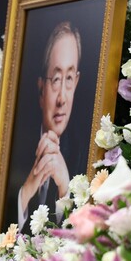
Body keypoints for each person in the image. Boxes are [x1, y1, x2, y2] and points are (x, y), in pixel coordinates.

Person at [16, 20, 83, 230]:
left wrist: (65, 190)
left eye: (69, 78)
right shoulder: (16, 146)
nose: (62, 98)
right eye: (55, 79)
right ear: (41, 88)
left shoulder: (84, 153)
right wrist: (25, 193)